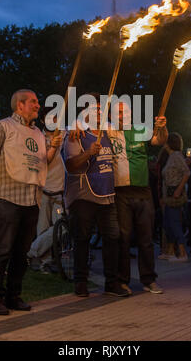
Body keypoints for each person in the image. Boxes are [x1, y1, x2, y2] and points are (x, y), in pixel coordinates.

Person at [0, 89, 63, 315]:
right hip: (10, 197)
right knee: (4, 249)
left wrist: (54, 145)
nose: (38, 105)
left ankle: (13, 295)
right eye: (34, 102)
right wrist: (2, 175)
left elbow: (43, 160)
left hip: (32, 199)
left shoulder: (37, 132)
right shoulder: (4, 126)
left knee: (22, 251)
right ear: (20, 104)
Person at [63, 94, 128, 298]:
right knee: (82, 239)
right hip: (84, 195)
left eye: (101, 108)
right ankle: (80, 282)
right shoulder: (76, 134)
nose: (99, 112)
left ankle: (111, 282)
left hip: (107, 194)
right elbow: (71, 165)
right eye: (94, 108)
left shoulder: (108, 131)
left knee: (112, 237)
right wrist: (89, 152)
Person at [108, 101, 168, 294]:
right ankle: (122, 280)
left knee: (146, 238)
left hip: (142, 191)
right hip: (120, 192)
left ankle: (149, 279)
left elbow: (160, 140)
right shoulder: (107, 132)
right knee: (123, 238)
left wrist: (163, 127)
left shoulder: (140, 129)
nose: (122, 115)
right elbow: (85, 124)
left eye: (125, 112)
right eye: (118, 112)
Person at [27, 108, 66, 273]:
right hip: (42, 190)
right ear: (43, 120)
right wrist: (51, 146)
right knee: (42, 228)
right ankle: (45, 263)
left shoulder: (63, 134)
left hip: (59, 190)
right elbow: (40, 163)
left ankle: (32, 251)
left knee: (62, 226)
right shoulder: (36, 137)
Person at [161, 133, 190, 262]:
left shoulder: (176, 156)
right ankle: (170, 251)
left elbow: (186, 172)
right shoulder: (171, 156)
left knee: (174, 223)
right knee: (168, 223)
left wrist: (178, 189)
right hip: (169, 194)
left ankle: (182, 253)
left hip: (174, 194)